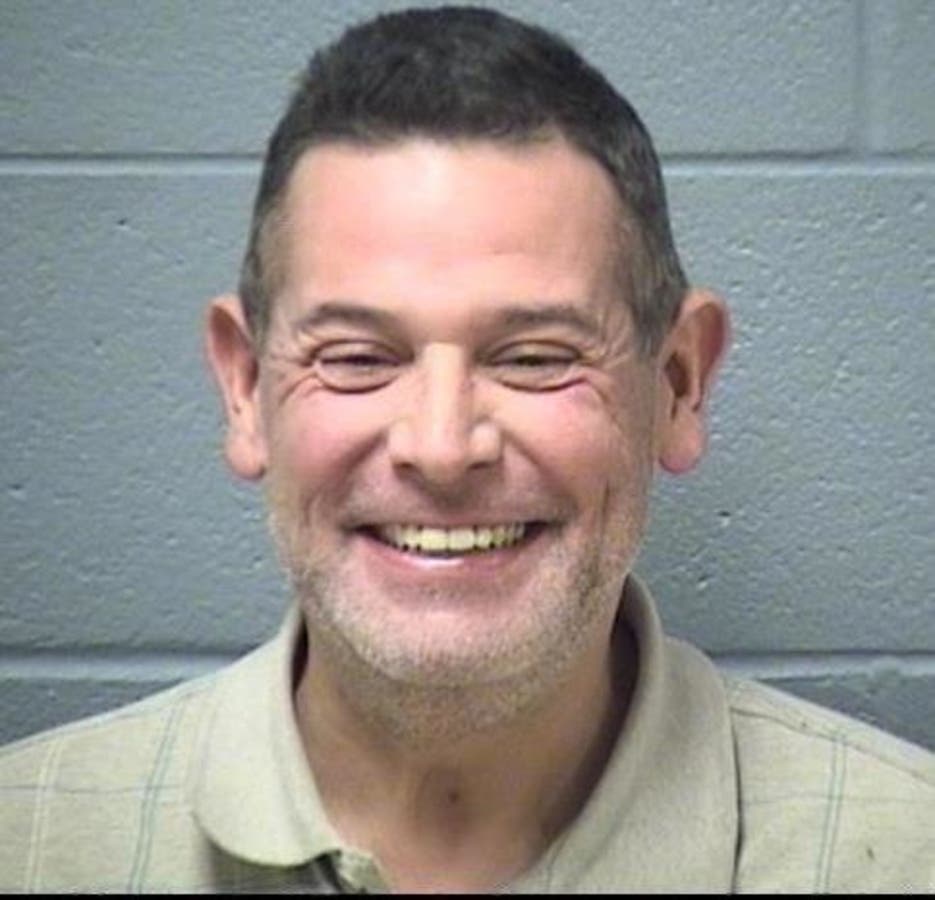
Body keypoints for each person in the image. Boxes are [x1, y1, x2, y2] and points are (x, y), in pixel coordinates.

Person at [1, 5, 932, 893]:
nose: (442, 449)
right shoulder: (28, 843)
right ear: (245, 389)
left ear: (676, 384)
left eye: (533, 358)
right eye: (357, 359)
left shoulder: (904, 854)